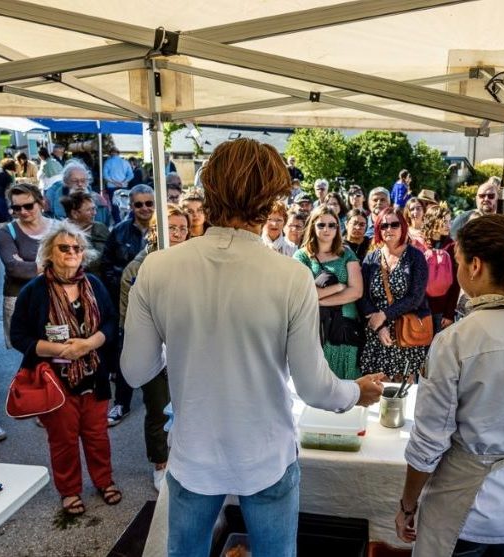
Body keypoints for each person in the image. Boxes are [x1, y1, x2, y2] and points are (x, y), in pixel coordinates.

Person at [120, 139, 383, 557]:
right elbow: (315, 388)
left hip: (194, 454)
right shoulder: (289, 276)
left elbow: (135, 371)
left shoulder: (158, 267)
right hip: (266, 454)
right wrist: (358, 392)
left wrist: (188, 338)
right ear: (270, 198)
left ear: (209, 191)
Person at [396, 214, 504, 556]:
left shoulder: (454, 340)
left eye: (458, 261)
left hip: (467, 515)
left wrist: (407, 504)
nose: (458, 270)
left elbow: (429, 441)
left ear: (474, 266)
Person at [10, 221, 119, 515]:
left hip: (93, 373)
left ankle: (103, 480)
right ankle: (69, 491)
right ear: (49, 252)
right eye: (64, 247)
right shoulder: (34, 291)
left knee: (97, 435)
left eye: (77, 248)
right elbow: (18, 336)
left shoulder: (94, 285)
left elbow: (110, 321)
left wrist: (88, 344)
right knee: (63, 440)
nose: (72, 252)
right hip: (54, 379)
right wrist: (60, 350)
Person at [119, 205, 189, 491]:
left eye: (183, 228)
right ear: (155, 231)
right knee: (159, 410)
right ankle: (160, 464)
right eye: (172, 227)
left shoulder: (195, 263)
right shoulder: (138, 268)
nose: (179, 233)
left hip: (189, 350)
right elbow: (129, 318)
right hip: (155, 351)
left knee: (189, 408)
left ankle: (185, 457)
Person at [101, 184, 155, 425]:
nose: (144, 208)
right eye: (139, 204)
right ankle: (121, 403)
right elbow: (107, 264)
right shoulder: (120, 231)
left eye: (149, 203)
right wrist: (124, 279)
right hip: (128, 301)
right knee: (126, 350)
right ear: (131, 206)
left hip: (159, 301)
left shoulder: (165, 229)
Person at [359, 207, 430, 380]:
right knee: (376, 389)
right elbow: (362, 295)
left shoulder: (415, 256)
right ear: (378, 229)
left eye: (394, 224)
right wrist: (380, 325)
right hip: (377, 333)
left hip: (406, 333)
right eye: (383, 226)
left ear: (403, 227)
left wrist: (384, 315)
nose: (389, 229)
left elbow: (416, 297)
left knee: (402, 390)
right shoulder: (371, 257)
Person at [294, 206, 364, 380]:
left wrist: (320, 300)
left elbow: (356, 291)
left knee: (346, 381)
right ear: (313, 227)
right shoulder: (302, 256)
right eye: (321, 225)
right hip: (315, 328)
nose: (327, 229)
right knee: (317, 380)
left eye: (332, 225)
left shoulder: (347, 254)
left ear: (338, 228)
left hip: (344, 328)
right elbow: (303, 294)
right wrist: (338, 288)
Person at [0, 183, 54, 348]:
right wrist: (49, 265)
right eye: (16, 208)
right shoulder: (7, 232)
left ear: (41, 202)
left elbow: (68, 264)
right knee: (28, 351)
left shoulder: (57, 227)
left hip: (54, 298)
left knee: (55, 349)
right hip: (19, 299)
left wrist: (28, 265)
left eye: (28, 206)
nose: (22, 211)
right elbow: (14, 268)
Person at [418, 205, 459, 333]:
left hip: (442, 311)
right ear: (433, 221)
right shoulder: (419, 245)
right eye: (444, 221)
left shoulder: (452, 246)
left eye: (449, 221)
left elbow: (456, 283)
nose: (448, 225)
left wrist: (449, 313)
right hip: (421, 309)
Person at [45, 159, 111, 226]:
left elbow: (105, 228)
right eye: (74, 181)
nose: (80, 184)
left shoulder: (99, 201)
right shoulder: (51, 200)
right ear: (65, 181)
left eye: (83, 181)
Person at [61, 191, 110, 274]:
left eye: (94, 209)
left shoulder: (101, 228)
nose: (94, 213)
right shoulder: (62, 234)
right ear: (74, 213)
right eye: (89, 210)